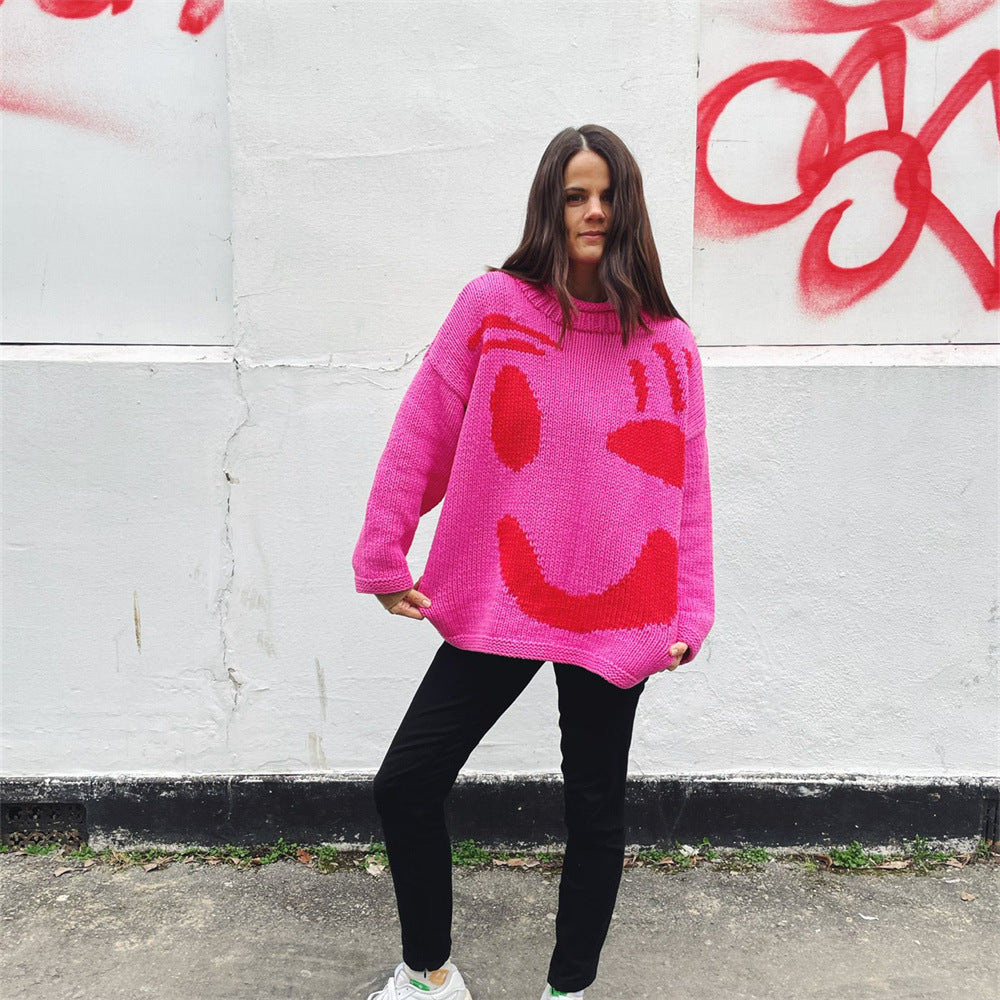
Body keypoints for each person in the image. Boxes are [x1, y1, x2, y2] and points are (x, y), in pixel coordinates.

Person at [353, 124, 715, 1000]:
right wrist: (384, 550)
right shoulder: (494, 307)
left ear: (629, 208)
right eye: (575, 194)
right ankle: (430, 976)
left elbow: (688, 486)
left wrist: (689, 613)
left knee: (594, 811)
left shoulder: (667, 342)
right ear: (548, 205)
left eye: (608, 195)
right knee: (407, 782)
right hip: (501, 596)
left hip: (621, 610)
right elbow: (426, 428)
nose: (594, 211)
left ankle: (569, 990)